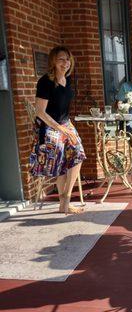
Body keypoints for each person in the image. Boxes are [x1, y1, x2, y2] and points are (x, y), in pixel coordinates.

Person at [29, 46, 86, 214]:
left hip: (65, 123)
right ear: (53, 61)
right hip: (48, 126)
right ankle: (64, 204)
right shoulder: (45, 81)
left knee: (78, 153)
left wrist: (66, 128)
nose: (65, 63)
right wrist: (61, 129)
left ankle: (66, 199)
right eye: (61, 59)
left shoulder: (67, 80)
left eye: (67, 59)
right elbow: (40, 112)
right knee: (59, 153)